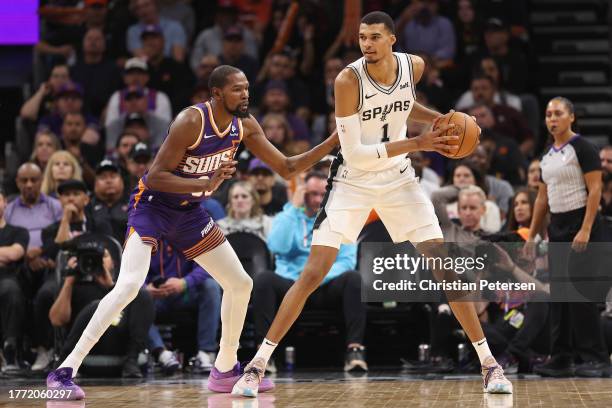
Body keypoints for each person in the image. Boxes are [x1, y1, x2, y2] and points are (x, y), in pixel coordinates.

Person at [233, 11, 512, 397]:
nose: (366, 43)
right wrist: (418, 143)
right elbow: (357, 153)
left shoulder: (413, 66)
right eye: (362, 37)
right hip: (353, 179)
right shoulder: (348, 80)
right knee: (313, 273)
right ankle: (257, 366)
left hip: (398, 178)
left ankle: (489, 365)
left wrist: (443, 121)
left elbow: (404, 105)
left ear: (392, 40)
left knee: (445, 266)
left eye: (375, 37)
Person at [46, 64, 339, 399]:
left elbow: (287, 167)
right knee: (128, 285)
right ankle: (65, 370)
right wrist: (205, 182)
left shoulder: (244, 125)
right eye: (237, 89)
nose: (245, 94)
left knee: (240, 283)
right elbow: (155, 176)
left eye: (246, 88)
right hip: (152, 208)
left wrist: (332, 141)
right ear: (216, 94)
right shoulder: (191, 121)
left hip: (188, 213)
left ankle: (224, 369)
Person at [526, 97, 611, 378]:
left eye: (558, 113)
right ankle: (561, 357)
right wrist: (533, 235)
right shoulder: (547, 155)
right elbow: (541, 199)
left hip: (582, 222)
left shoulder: (583, 147)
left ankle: (595, 357)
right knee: (560, 296)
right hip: (558, 225)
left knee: (581, 295)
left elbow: (595, 190)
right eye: (548, 114)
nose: (552, 119)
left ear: (571, 117)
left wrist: (586, 228)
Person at [253, 172, 365, 373]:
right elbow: (277, 246)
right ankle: (264, 357)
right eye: (312, 194)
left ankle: (354, 351)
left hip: (325, 285)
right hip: (292, 286)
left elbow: (347, 261)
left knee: (354, 279)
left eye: (322, 194)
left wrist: (313, 277)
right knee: (264, 280)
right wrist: (293, 208)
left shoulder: (342, 219)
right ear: (303, 194)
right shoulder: (287, 216)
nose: (317, 200)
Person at [50, 244, 154, 378]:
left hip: (121, 352)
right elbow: (56, 320)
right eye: (87, 258)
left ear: (113, 262)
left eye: (103, 256)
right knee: (96, 306)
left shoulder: (122, 288)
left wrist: (111, 287)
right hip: (86, 357)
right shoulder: (72, 284)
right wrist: (68, 283)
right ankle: (65, 364)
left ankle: (132, 359)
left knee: (142, 294)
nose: (94, 261)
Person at [145, 239, 221, 374]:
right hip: (155, 298)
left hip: (185, 293)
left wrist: (185, 283)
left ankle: (205, 354)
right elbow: (130, 271)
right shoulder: (144, 233)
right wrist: (145, 288)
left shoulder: (191, 229)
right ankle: (162, 354)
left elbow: (208, 267)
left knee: (211, 286)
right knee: (135, 295)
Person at [0, 188, 29, 372]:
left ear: (5, 203)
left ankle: (10, 348)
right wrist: (5, 253)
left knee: (10, 289)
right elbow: (8, 253)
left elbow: (15, 253)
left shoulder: (19, 231)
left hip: (8, 278)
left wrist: (9, 254)